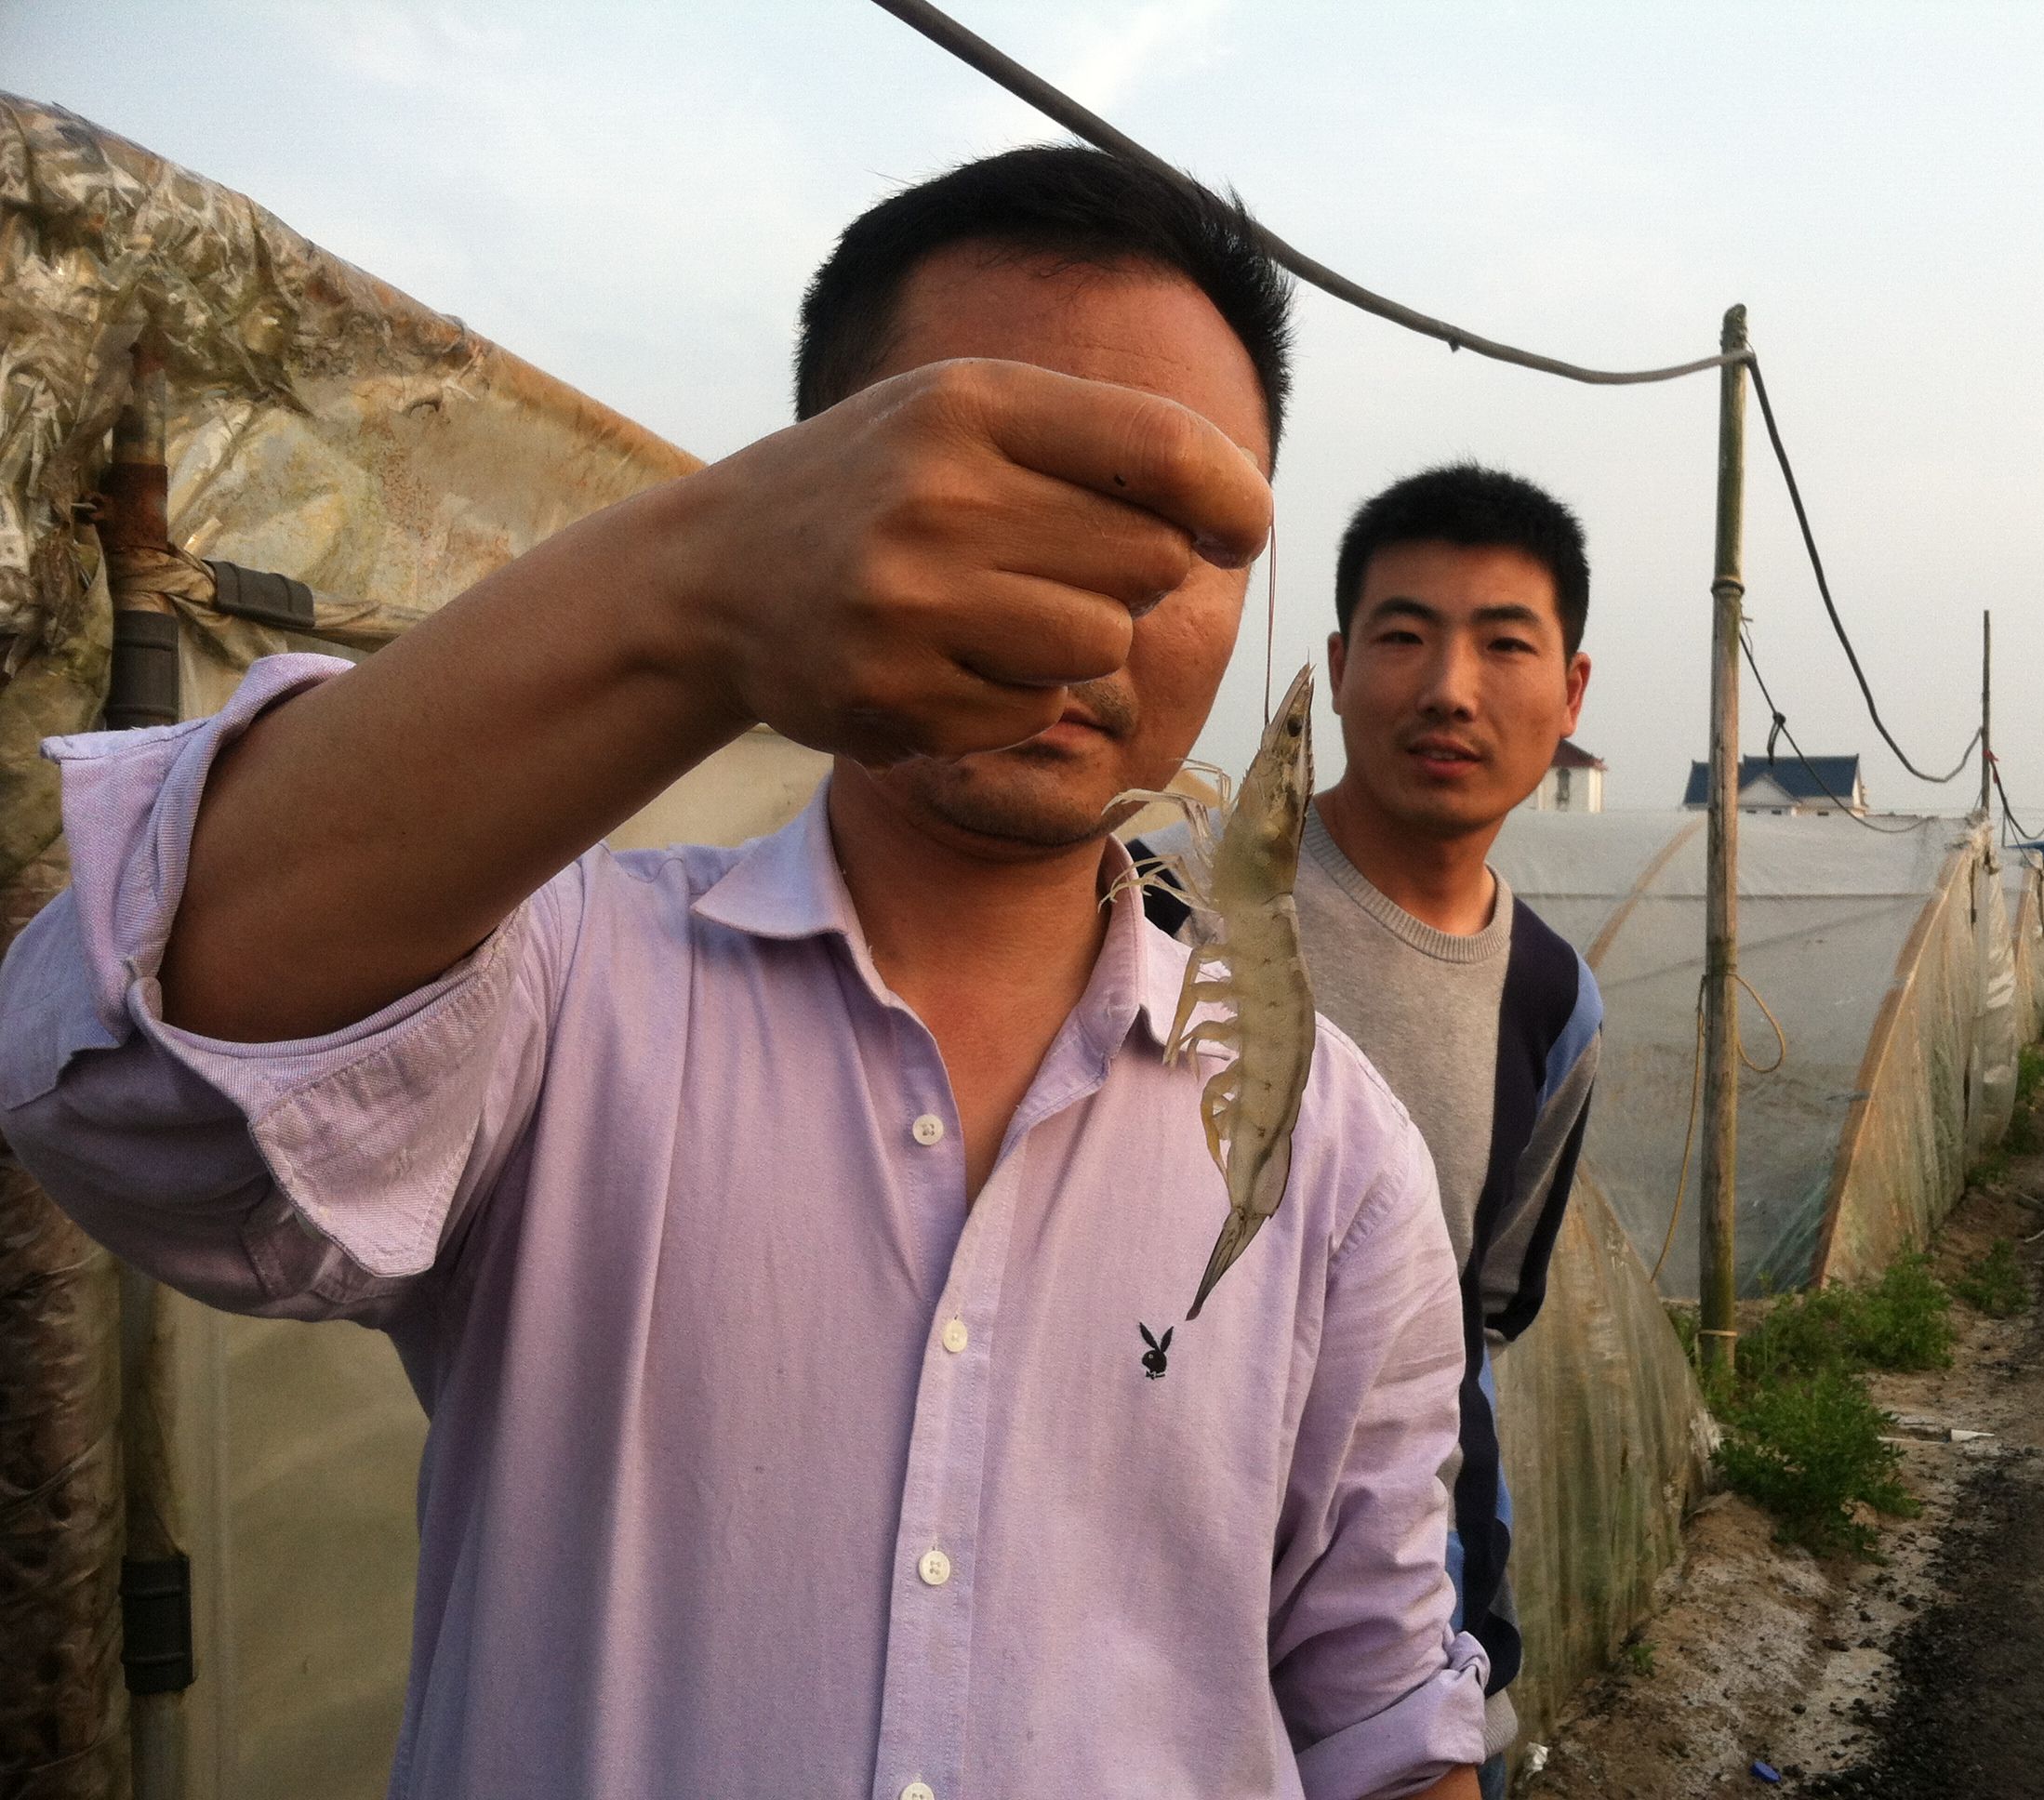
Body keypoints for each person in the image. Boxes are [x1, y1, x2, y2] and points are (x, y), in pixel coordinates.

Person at [0, 149, 1491, 1799]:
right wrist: (695, 594)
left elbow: (1383, 1714)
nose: (1089, 598)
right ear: (813, 501)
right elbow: (132, 1084)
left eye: (1180, 531)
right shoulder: (551, 978)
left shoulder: (1344, 1161)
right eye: (1004, 489)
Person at [1141, 464, 1601, 1799]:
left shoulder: (1553, 998)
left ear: (1571, 691)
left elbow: (1478, 1323)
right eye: (1404, 635)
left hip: (1411, 1668)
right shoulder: (1151, 898)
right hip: (1139, 1633)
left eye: (1504, 644)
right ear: (1337, 671)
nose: (1450, 688)